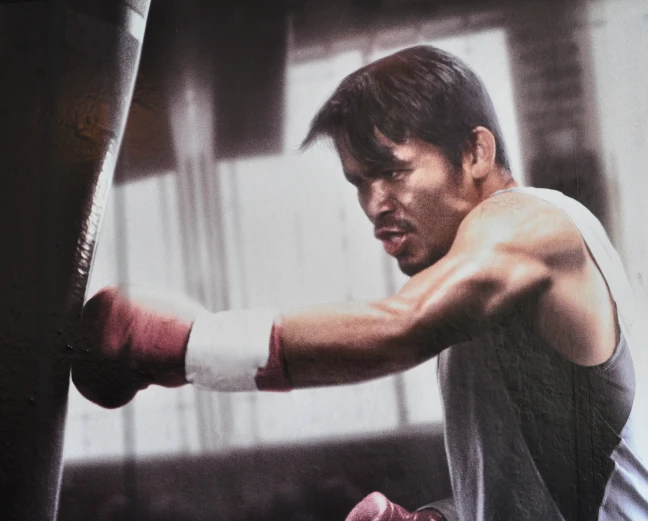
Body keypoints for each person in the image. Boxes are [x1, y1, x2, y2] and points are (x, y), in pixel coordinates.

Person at [71, 45, 648, 520]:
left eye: (393, 171)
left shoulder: (531, 223)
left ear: (475, 152)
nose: (374, 204)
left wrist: (181, 347)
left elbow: (401, 328)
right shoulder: (481, 288)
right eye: (358, 181)